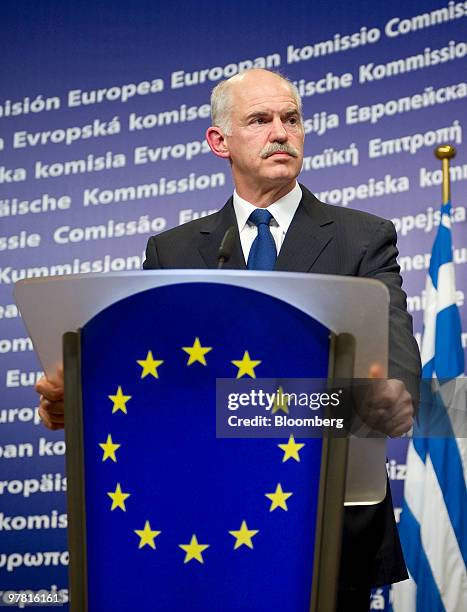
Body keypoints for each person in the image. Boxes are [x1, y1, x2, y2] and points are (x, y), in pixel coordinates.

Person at [36, 69, 420, 610]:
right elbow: (153, 392)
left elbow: (398, 399)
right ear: (220, 142)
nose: (281, 132)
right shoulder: (172, 253)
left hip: (324, 533)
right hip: (200, 528)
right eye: (260, 120)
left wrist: (238, 408)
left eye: (291, 119)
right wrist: (80, 403)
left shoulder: (363, 239)